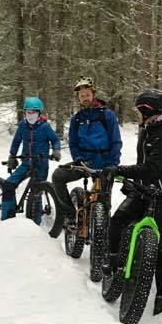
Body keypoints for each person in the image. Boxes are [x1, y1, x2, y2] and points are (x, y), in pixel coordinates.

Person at [107, 88, 162, 315]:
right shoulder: (146, 131)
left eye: (139, 111)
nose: (136, 114)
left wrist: (120, 170)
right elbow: (142, 167)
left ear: (147, 111)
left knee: (160, 249)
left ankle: (161, 295)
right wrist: (133, 182)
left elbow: (151, 169)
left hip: (161, 197)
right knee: (117, 221)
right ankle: (113, 263)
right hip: (141, 192)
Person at [51, 77, 122, 221]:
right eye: (81, 95)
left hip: (104, 164)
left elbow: (116, 142)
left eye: (87, 94)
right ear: (78, 98)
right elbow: (73, 143)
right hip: (85, 163)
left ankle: (101, 228)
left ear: (93, 94)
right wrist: (78, 158)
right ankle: (71, 216)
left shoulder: (107, 115)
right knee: (58, 176)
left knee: (102, 205)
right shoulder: (77, 119)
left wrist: (112, 164)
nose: (85, 98)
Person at [3, 97, 60, 221]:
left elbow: (55, 140)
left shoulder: (45, 127)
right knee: (8, 184)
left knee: (36, 192)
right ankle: (7, 218)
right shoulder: (22, 126)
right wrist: (12, 156)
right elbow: (16, 141)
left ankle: (35, 225)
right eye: (28, 112)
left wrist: (56, 150)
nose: (30, 114)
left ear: (39, 113)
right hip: (26, 163)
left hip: (41, 164)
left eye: (33, 112)